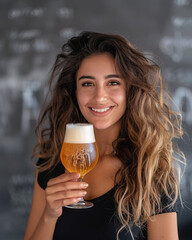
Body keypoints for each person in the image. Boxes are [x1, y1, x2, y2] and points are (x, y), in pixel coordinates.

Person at [24, 31, 185, 240]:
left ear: (130, 90)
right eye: (87, 83)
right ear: (74, 91)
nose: (99, 96)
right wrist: (49, 215)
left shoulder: (152, 169)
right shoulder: (51, 159)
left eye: (113, 82)